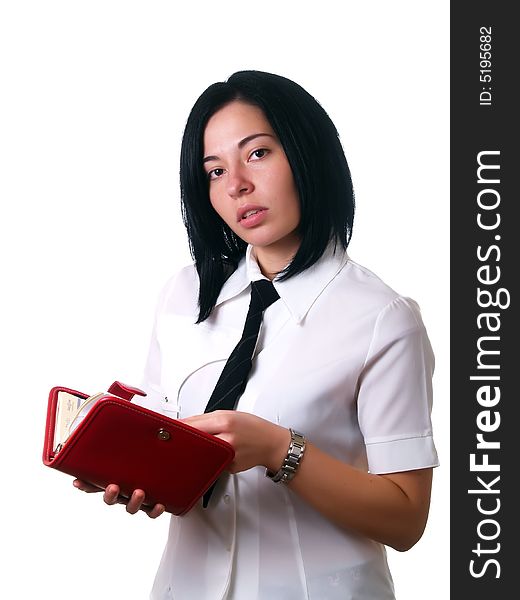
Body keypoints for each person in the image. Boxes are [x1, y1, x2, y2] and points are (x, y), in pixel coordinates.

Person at [74, 70, 439, 599]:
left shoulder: (383, 318)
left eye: (258, 154)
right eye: (215, 170)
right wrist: (131, 469)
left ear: (307, 153)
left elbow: (407, 518)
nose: (236, 184)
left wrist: (279, 450)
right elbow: (169, 438)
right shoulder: (184, 294)